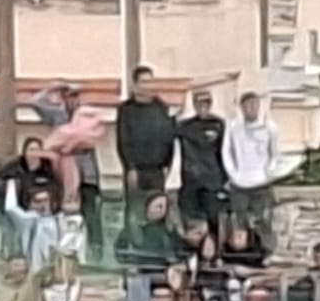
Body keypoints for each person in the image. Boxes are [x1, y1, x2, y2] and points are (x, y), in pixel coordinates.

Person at [29, 82, 104, 258]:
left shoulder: (86, 117)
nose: (74, 100)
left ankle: (95, 254)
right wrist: (54, 87)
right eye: (70, 96)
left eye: (76, 96)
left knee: (91, 216)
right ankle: (64, 252)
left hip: (87, 174)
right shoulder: (57, 116)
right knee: (65, 216)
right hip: (63, 174)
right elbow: (35, 102)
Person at [115, 65, 176, 210]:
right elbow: (123, 141)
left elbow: (169, 138)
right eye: (145, 82)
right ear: (135, 85)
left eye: (151, 82)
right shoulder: (126, 110)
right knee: (136, 214)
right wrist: (130, 168)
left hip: (157, 171)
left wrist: (168, 165)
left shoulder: (162, 108)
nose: (149, 86)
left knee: (158, 213)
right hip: (137, 172)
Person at [223, 91, 282, 239]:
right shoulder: (233, 127)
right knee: (240, 222)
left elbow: (275, 153)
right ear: (242, 108)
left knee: (262, 220)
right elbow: (226, 151)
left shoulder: (270, 128)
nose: (251, 109)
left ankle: (264, 250)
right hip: (239, 183)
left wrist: (269, 172)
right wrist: (233, 173)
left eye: (254, 105)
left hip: (261, 184)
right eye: (247, 106)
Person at [175, 90, 227, 230]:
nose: (203, 106)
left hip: (212, 181)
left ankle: (213, 250)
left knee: (213, 223)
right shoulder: (184, 125)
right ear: (194, 105)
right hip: (190, 181)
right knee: (192, 224)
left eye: (206, 103)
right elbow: (168, 133)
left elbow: (224, 152)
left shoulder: (218, 124)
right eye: (199, 103)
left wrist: (225, 180)